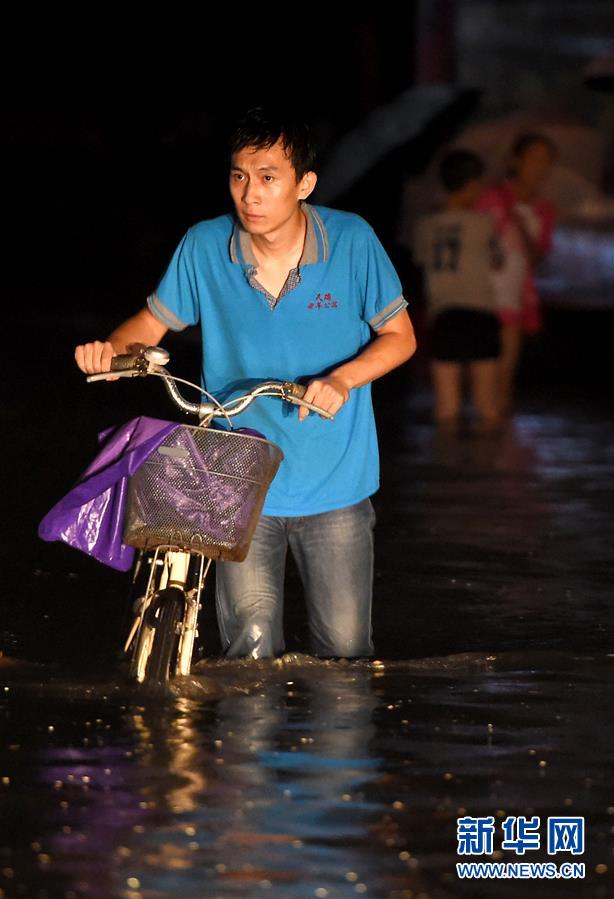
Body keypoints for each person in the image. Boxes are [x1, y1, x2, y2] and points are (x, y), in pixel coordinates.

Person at [75, 107, 416, 660]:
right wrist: (109, 353)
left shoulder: (352, 242)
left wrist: (342, 380)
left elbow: (400, 336)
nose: (249, 194)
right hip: (235, 482)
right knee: (248, 656)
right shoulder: (205, 246)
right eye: (239, 176)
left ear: (304, 184)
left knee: (346, 657)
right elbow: (149, 325)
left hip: (336, 485)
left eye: (268, 177)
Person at [414, 149, 503, 432]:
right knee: (487, 407)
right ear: (472, 184)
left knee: (446, 408)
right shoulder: (483, 223)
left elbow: (420, 261)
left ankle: (444, 467)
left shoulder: (425, 225)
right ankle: (488, 468)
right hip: (479, 311)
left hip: (444, 313)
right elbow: (497, 260)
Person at [477, 132, 556, 416]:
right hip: (481, 296)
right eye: (535, 158)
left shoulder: (544, 210)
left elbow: (536, 258)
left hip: (513, 299)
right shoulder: (489, 197)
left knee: (504, 377)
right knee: (478, 377)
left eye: (547, 161)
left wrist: (522, 227)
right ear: (516, 160)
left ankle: (497, 442)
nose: (541, 166)